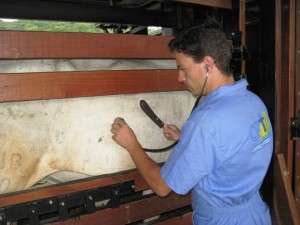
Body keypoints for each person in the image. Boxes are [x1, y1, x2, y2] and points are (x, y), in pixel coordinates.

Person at [111, 20, 273, 225]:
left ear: (207, 64)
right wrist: (186, 139)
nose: (180, 78)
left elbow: (161, 187)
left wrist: (131, 144)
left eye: (183, 69)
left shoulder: (205, 123)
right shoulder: (253, 102)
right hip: (255, 213)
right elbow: (234, 149)